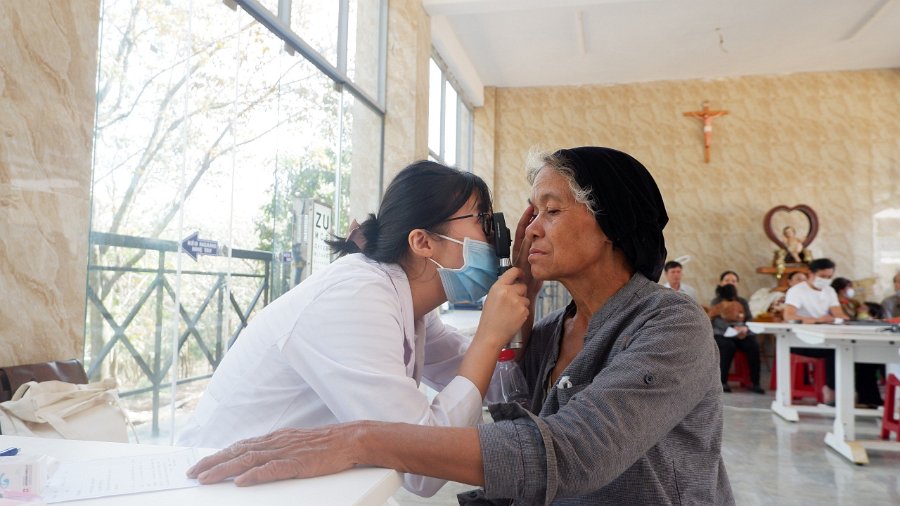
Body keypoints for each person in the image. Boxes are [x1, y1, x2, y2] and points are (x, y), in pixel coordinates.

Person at [187, 146, 735, 505]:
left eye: (550, 211)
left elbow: (573, 451)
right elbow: (511, 402)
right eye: (525, 215)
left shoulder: (669, 323)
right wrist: (516, 304)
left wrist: (361, 439)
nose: (523, 232)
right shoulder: (549, 332)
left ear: (611, 223)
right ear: (422, 241)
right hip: (225, 482)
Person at [177, 161, 530, 496]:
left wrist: (525, 285)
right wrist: (488, 338)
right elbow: (424, 468)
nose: (496, 237)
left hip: (288, 486)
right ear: (422, 242)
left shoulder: (409, 306)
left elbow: (501, 387)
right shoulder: (357, 297)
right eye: (483, 221)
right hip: (223, 486)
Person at [709, 271, 764, 394]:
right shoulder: (716, 301)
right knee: (728, 346)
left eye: (733, 281)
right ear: (721, 283)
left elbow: (749, 318)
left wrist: (744, 328)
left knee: (753, 345)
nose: (730, 283)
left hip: (742, 333)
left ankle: (755, 382)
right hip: (723, 333)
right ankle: (722, 382)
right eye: (727, 280)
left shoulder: (742, 301)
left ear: (737, 284)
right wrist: (732, 329)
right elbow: (715, 320)